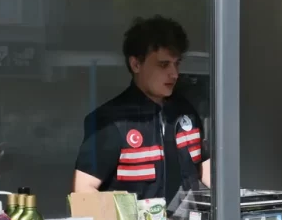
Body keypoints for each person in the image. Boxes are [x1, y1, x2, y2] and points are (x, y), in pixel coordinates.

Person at [73, 16, 211, 209]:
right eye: (164, 65)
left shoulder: (186, 112)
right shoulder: (112, 120)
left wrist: (233, 208)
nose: (174, 74)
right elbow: (83, 192)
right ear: (136, 64)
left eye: (176, 63)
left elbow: (205, 167)